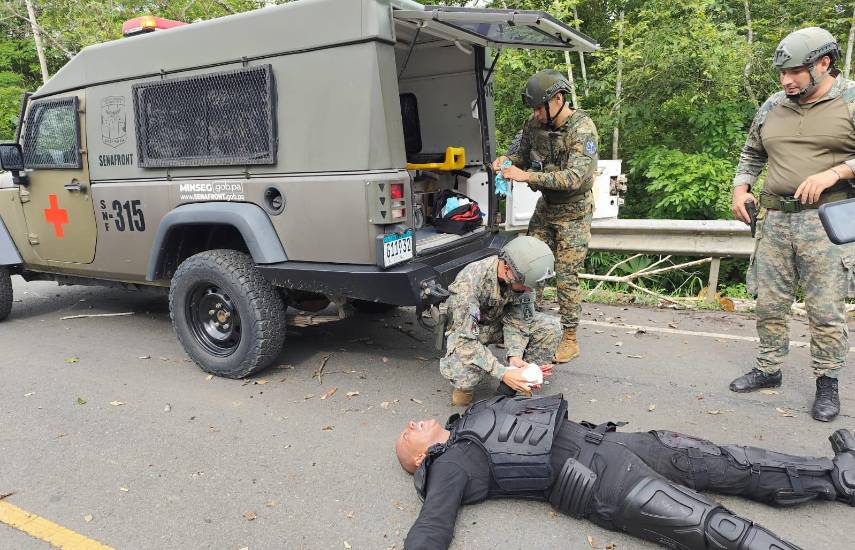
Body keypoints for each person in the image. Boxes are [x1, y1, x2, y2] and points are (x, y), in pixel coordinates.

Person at [395, 394, 855, 549]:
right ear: (419, 459)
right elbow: (432, 525)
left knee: (730, 462)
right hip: (600, 482)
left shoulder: (474, 417)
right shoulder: (451, 462)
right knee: (714, 527)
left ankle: (837, 478)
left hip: (618, 443)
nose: (412, 424)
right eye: (405, 435)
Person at [729, 27, 855, 422]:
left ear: (824, 64)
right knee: (769, 302)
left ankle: (827, 383)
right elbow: (752, 153)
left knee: (826, 309)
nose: (787, 80)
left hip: (827, 221)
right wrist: (740, 188)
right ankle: (769, 368)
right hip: (776, 219)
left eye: (796, 72)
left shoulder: (850, 100)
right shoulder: (773, 105)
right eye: (783, 73)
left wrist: (835, 173)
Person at [492, 69, 599, 364]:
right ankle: (525, 326)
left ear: (558, 100)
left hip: (574, 212)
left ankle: (569, 338)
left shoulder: (583, 129)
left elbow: (574, 177)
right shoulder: (533, 124)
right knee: (526, 267)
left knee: (566, 275)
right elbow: (521, 155)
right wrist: (506, 162)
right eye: (534, 109)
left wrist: (526, 176)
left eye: (540, 108)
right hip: (546, 207)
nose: (536, 114)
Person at [438, 235, 560, 407]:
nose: (528, 289)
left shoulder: (523, 279)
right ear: (507, 269)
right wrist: (502, 372)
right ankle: (466, 385)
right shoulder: (469, 282)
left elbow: (518, 321)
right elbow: (465, 340)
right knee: (464, 375)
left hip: (497, 324)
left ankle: (520, 382)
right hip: (470, 332)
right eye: (525, 284)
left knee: (549, 327)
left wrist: (514, 356)